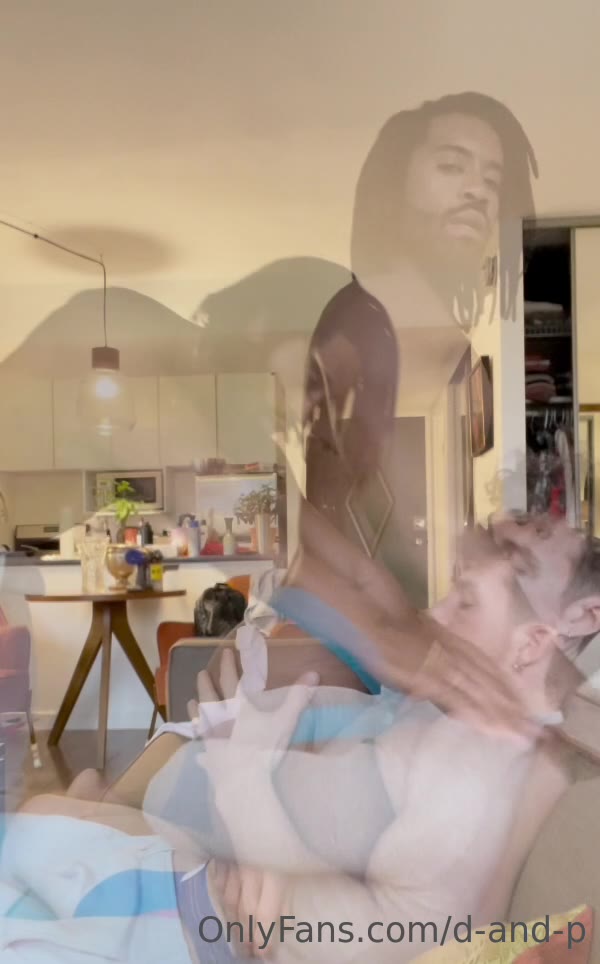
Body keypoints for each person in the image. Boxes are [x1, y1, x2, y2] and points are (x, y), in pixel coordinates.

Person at [10, 530, 599, 963]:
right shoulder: (465, 716)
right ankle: (95, 801)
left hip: (189, 919)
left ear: (543, 636)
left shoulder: (486, 774)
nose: (435, 615)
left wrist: (243, 780)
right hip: (187, 871)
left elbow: (366, 937)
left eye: (465, 600)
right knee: (39, 818)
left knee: (33, 840)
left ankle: (95, 802)